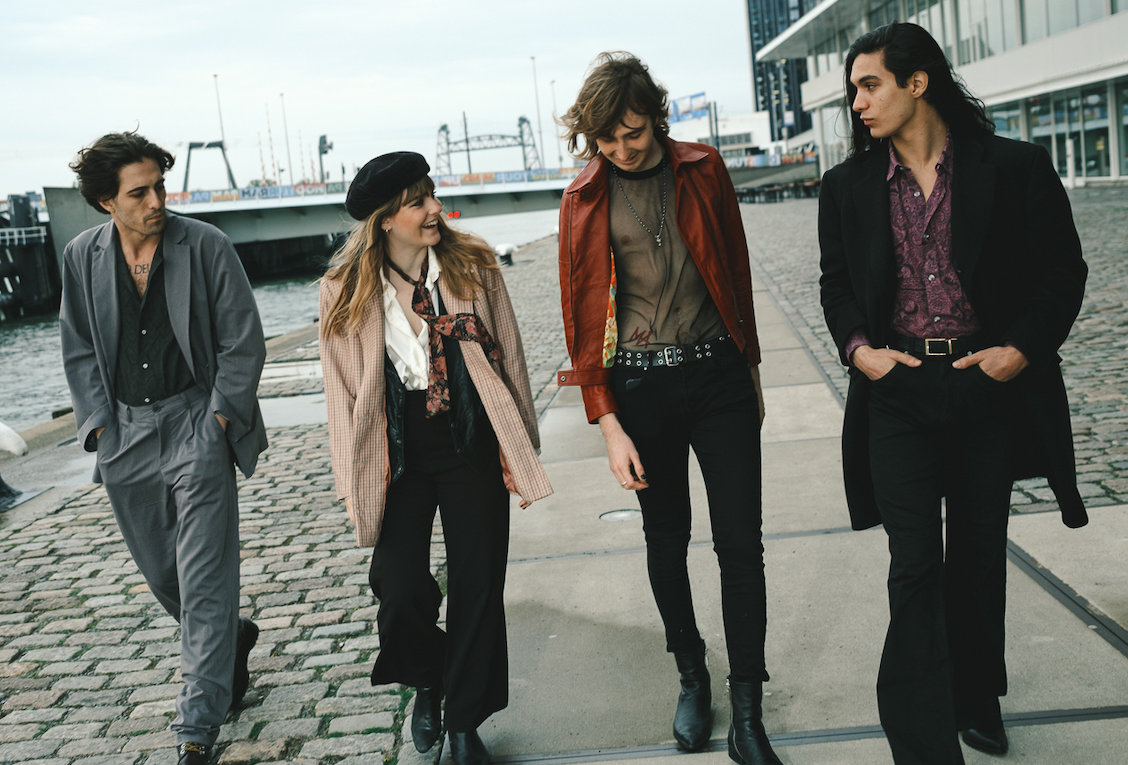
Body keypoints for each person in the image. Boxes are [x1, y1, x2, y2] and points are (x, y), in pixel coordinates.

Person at [818, 23, 1088, 764]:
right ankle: (924, 742)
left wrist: (1020, 350)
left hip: (984, 386)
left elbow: (1062, 272)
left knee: (976, 555)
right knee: (914, 564)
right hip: (897, 391)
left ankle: (976, 694)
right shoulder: (846, 186)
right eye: (853, 89)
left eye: (869, 85)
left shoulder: (1016, 167)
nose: (857, 102)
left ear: (917, 82)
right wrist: (860, 351)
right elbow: (836, 284)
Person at [557, 53, 783, 765]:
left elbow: (736, 270)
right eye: (607, 138)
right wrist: (607, 422)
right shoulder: (582, 198)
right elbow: (580, 318)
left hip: (718, 377)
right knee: (666, 540)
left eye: (633, 132)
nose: (623, 149)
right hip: (641, 389)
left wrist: (751, 371)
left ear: (656, 116)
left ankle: (748, 708)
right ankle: (691, 674)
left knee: (741, 544)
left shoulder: (703, 168)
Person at [320, 152, 551, 765]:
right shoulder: (342, 289)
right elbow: (340, 392)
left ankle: (465, 721)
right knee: (399, 589)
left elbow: (510, 354)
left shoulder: (472, 265)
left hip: (469, 438)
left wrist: (519, 445)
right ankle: (429, 676)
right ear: (384, 219)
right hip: (395, 452)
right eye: (417, 202)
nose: (434, 210)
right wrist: (349, 479)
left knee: (479, 583)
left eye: (432, 196)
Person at [60, 131, 267, 765]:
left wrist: (218, 422)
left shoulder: (205, 245)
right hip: (124, 436)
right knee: (162, 575)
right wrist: (99, 428)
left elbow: (242, 341)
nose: (156, 202)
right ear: (106, 201)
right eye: (139, 193)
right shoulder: (81, 256)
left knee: (204, 581)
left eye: (159, 187)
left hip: (195, 424)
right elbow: (77, 345)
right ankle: (230, 637)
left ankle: (196, 730)